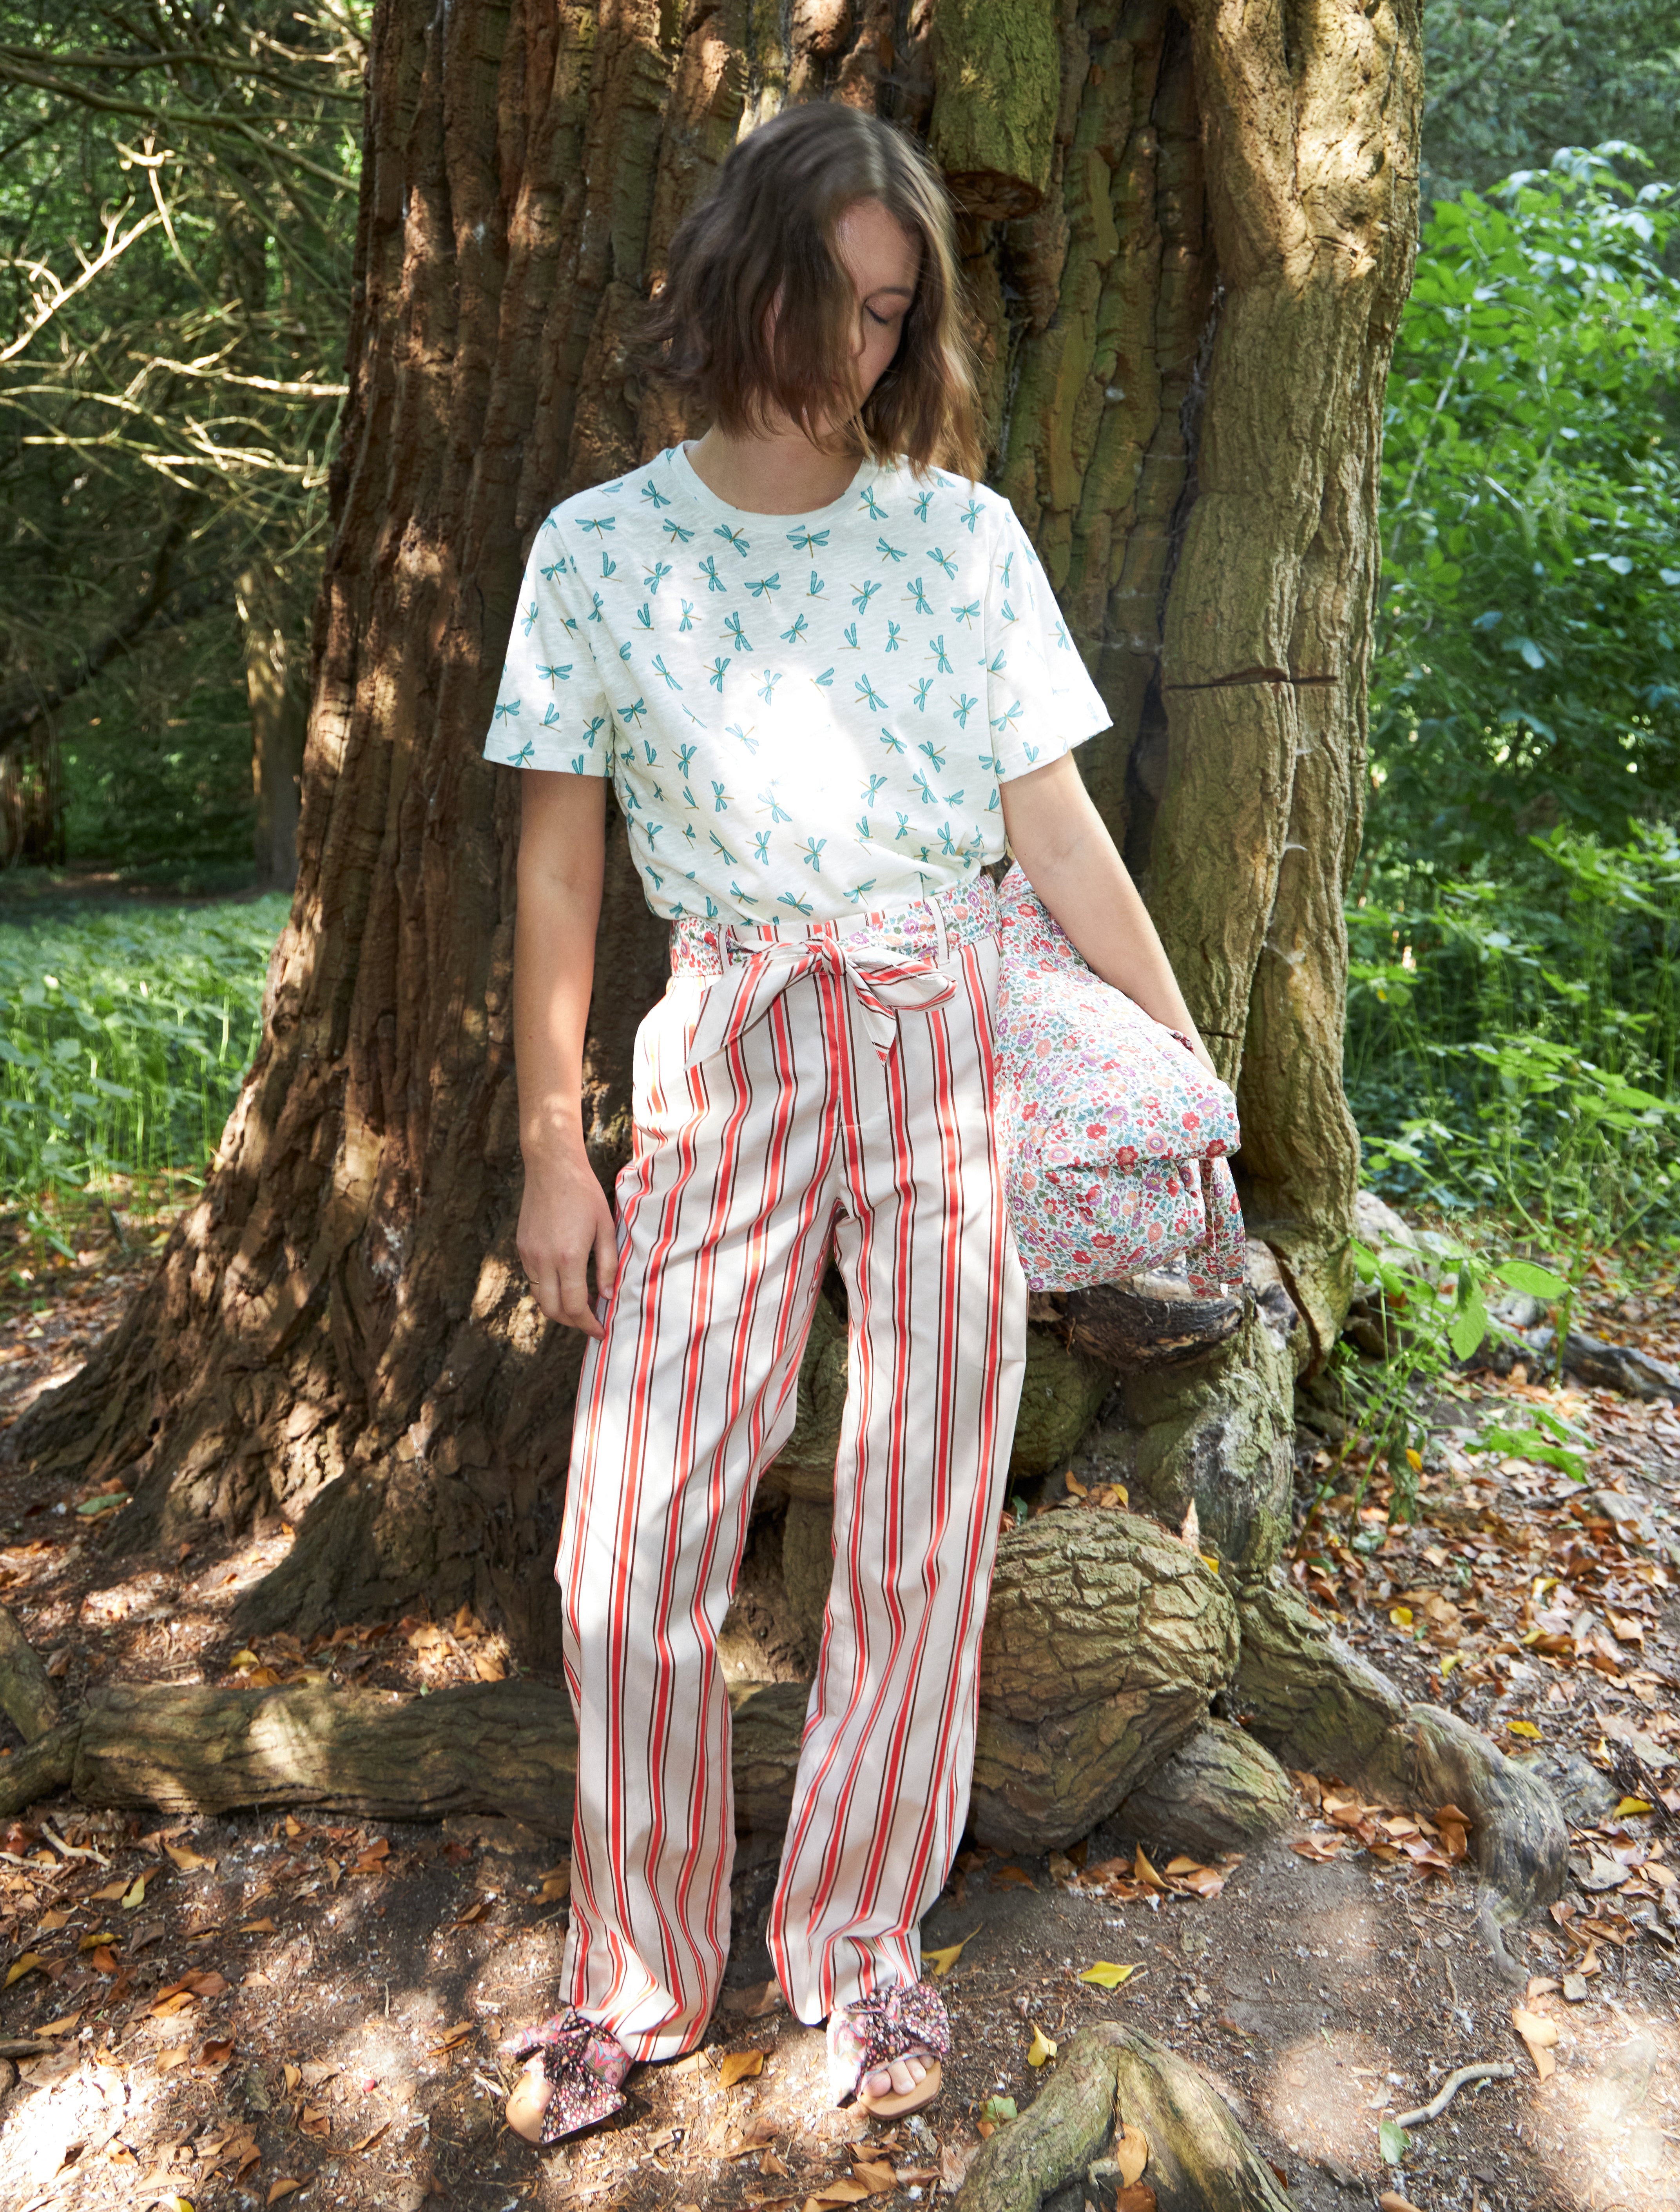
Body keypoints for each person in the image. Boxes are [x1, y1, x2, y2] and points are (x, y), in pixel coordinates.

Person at [482, 100, 1214, 2147]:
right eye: (839, 301)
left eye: (899, 318)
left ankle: (858, 1958)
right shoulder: (595, 548)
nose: (866, 350)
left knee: (911, 1527)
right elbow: (554, 874)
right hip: (721, 1044)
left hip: (936, 1039)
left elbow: (1051, 825)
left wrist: (1188, 1077)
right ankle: (623, 1983)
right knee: (628, 1542)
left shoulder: (957, 538)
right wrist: (554, 1148)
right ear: (744, 277)